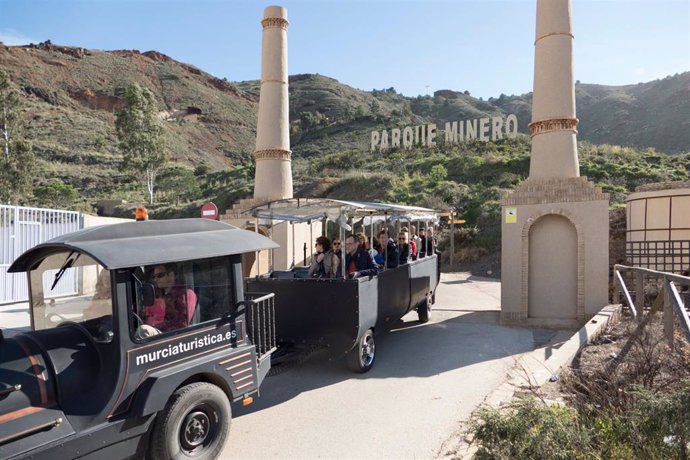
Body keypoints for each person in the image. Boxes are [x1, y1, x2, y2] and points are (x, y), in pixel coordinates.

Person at [145, 263, 197, 331]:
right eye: (154, 277)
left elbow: (181, 324)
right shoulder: (156, 293)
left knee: (144, 329)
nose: (155, 279)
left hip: (166, 334)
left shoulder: (186, 294)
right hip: (153, 330)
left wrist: (156, 327)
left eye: (160, 275)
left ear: (171, 275)